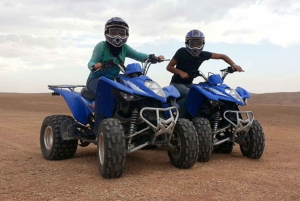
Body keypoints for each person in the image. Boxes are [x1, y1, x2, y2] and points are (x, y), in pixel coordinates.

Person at [87, 17, 164, 135]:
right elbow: (91, 62)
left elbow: (138, 55)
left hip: (112, 81)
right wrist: (95, 65)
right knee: (103, 95)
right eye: (114, 32)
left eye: (121, 32)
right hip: (97, 79)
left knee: (128, 95)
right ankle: (99, 131)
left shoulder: (124, 48)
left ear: (126, 34)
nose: (117, 36)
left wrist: (153, 57)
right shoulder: (101, 46)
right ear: (107, 32)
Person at [166, 29, 243, 117]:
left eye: (198, 43)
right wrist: (180, 72)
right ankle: (179, 118)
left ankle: (202, 117)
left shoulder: (203, 55)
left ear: (203, 43)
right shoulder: (181, 52)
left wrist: (234, 65)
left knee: (205, 94)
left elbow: (222, 56)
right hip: (176, 84)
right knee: (191, 94)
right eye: (192, 43)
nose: (195, 46)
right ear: (187, 43)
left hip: (189, 84)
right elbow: (169, 67)